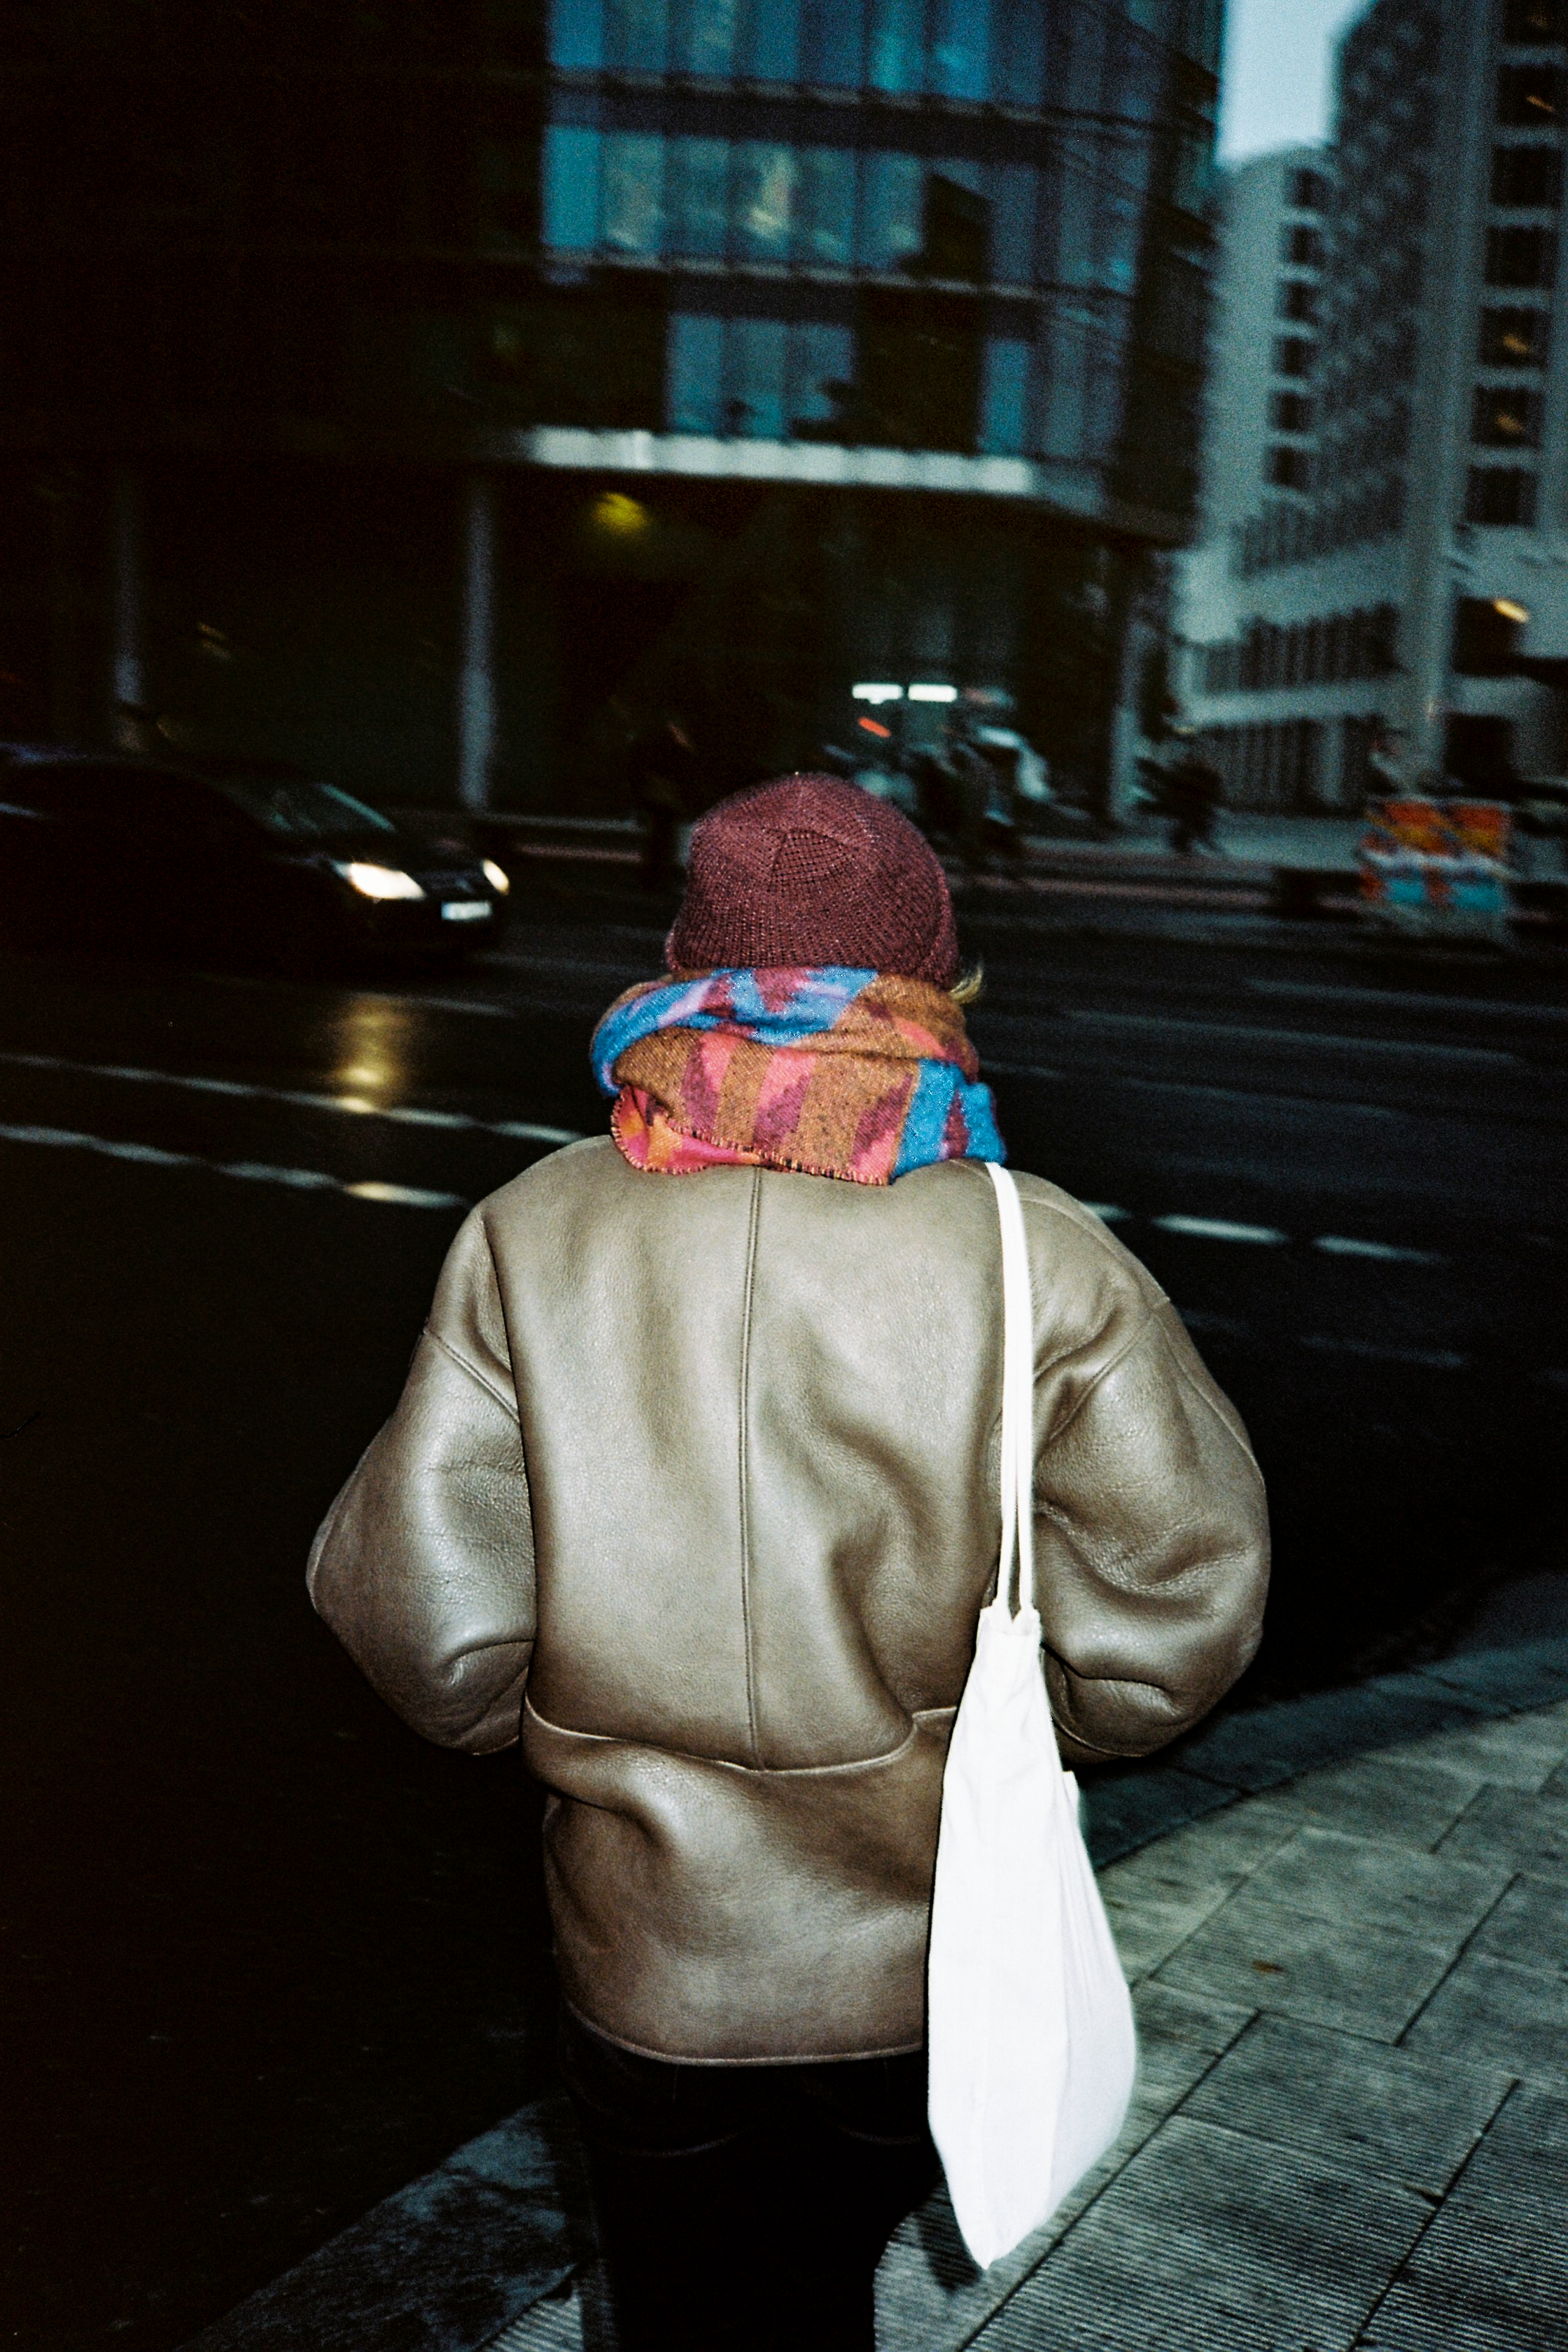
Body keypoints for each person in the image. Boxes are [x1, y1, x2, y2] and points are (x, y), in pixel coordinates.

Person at [307, 775, 1268, 2351]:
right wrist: (1017, 1727)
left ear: (686, 970)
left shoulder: (531, 1229)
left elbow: (416, 1617)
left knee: (678, 2307)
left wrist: (554, 1720)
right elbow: (1174, 1618)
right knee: (823, 2295)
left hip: (648, 1955)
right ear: (934, 981)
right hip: (919, 1960)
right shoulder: (1037, 1250)